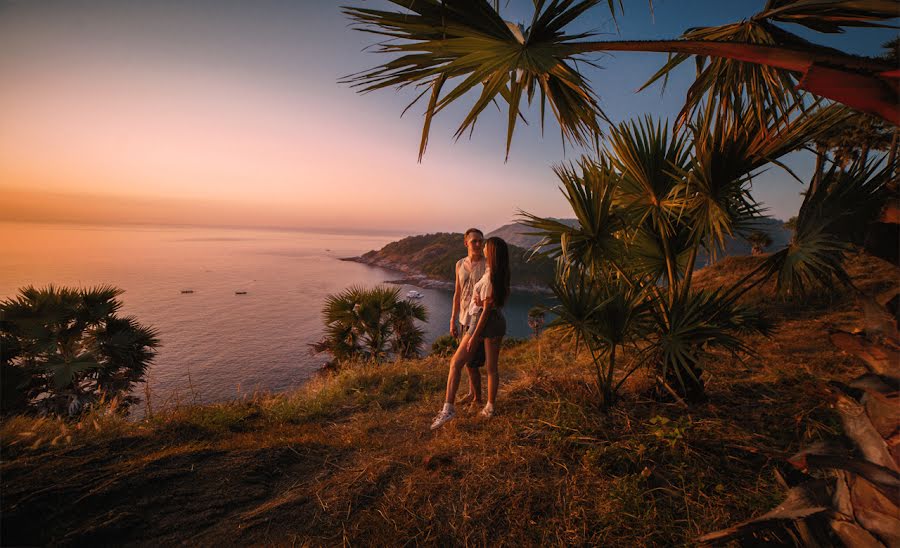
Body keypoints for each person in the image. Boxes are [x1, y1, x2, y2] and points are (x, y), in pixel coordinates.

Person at [431, 237, 510, 429]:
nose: (482, 248)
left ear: (491, 252)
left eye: (486, 246)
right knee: (482, 366)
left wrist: (474, 336)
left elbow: (486, 310)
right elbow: (485, 301)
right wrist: (477, 298)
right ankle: (481, 407)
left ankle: (455, 409)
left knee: (462, 363)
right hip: (489, 321)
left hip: (485, 322)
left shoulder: (492, 276)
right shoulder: (493, 272)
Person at [450, 228, 487, 407]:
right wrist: (452, 319)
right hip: (463, 318)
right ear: (466, 243)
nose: (479, 244)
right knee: (467, 362)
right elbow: (457, 293)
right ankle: (472, 393)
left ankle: (478, 400)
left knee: (471, 363)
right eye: (475, 241)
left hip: (478, 318)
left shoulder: (488, 264)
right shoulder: (459, 264)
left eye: (481, 241)